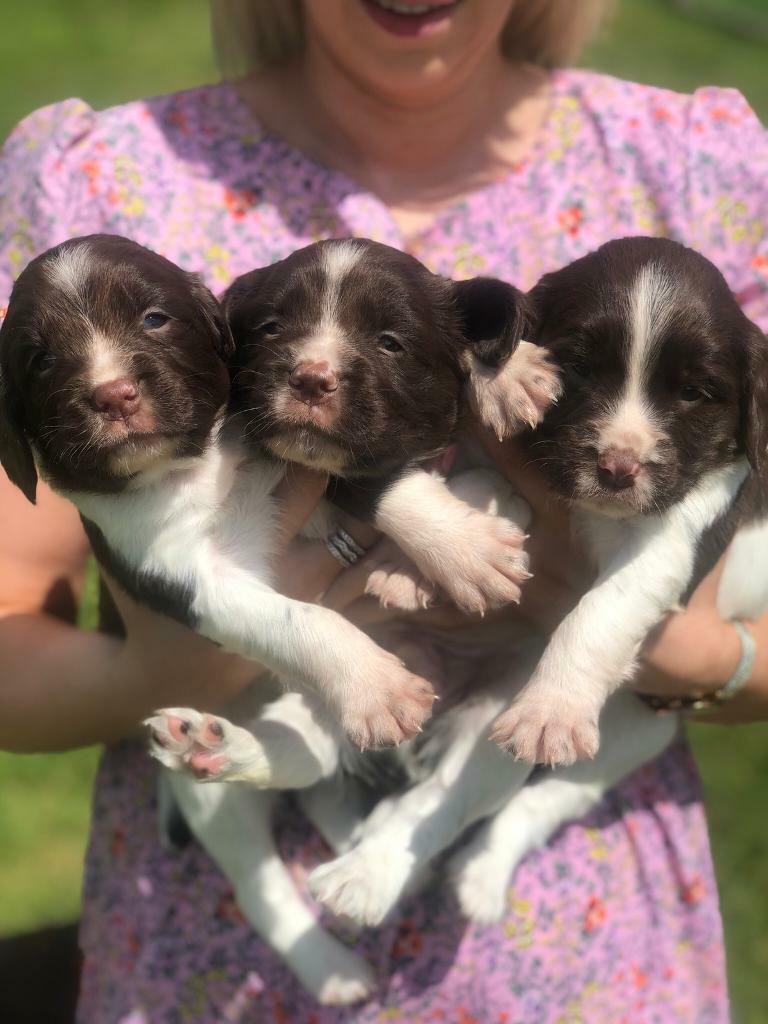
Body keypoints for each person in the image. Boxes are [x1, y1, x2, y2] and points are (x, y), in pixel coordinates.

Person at [1, 1, 767, 1020]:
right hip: (215, 963)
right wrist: (174, 667)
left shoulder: (704, 163)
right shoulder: (92, 175)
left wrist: (702, 655)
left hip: (581, 949)